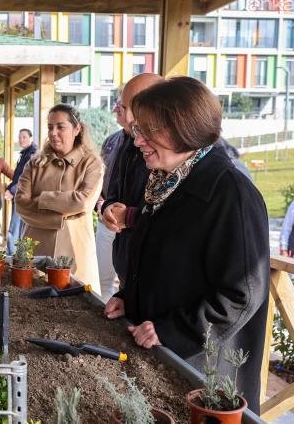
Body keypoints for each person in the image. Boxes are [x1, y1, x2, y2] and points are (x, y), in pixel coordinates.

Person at [103, 77, 269, 413]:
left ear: (182, 129)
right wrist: (129, 298)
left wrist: (172, 330)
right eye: (137, 131)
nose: (138, 142)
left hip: (205, 375)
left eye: (147, 131)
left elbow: (242, 293)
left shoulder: (231, 192)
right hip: (163, 357)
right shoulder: (167, 181)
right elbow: (158, 258)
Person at [15, 104, 103, 293]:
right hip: (34, 249)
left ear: (77, 129)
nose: (53, 133)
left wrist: (41, 199)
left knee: (75, 310)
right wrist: (62, 215)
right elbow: (21, 203)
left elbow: (83, 202)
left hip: (76, 251)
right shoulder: (35, 163)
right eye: (50, 127)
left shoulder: (92, 163)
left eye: (60, 127)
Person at [100, 73, 164, 286]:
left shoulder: (213, 175)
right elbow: (114, 190)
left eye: (127, 108)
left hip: (157, 284)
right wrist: (109, 208)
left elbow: (178, 222)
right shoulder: (126, 143)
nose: (125, 117)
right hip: (131, 274)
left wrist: (129, 217)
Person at [95, 123, 127, 302]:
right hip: (105, 220)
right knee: (103, 277)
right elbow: (98, 177)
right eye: (117, 104)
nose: (116, 108)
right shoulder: (111, 141)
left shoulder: (148, 144)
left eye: (123, 106)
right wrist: (100, 202)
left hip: (129, 225)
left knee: (126, 283)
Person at [5, 129, 37, 255]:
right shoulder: (25, 153)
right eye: (20, 137)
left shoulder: (32, 154)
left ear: (31, 138)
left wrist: (12, 190)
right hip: (20, 194)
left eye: (24, 137)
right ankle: (18, 256)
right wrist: (10, 186)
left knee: (15, 227)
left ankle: (11, 256)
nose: (21, 139)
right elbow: (18, 176)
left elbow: (27, 178)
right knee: (19, 227)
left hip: (23, 196)